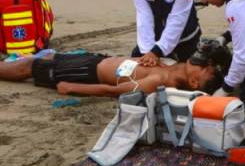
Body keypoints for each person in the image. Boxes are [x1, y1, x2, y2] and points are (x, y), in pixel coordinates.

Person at [0, 52, 222, 98]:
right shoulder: (173, 62)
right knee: (47, 58)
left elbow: (113, 91)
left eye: (205, 69)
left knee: (29, 66)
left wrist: (73, 88)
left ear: (194, 82)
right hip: (96, 59)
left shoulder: (157, 82)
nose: (203, 62)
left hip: (87, 73)